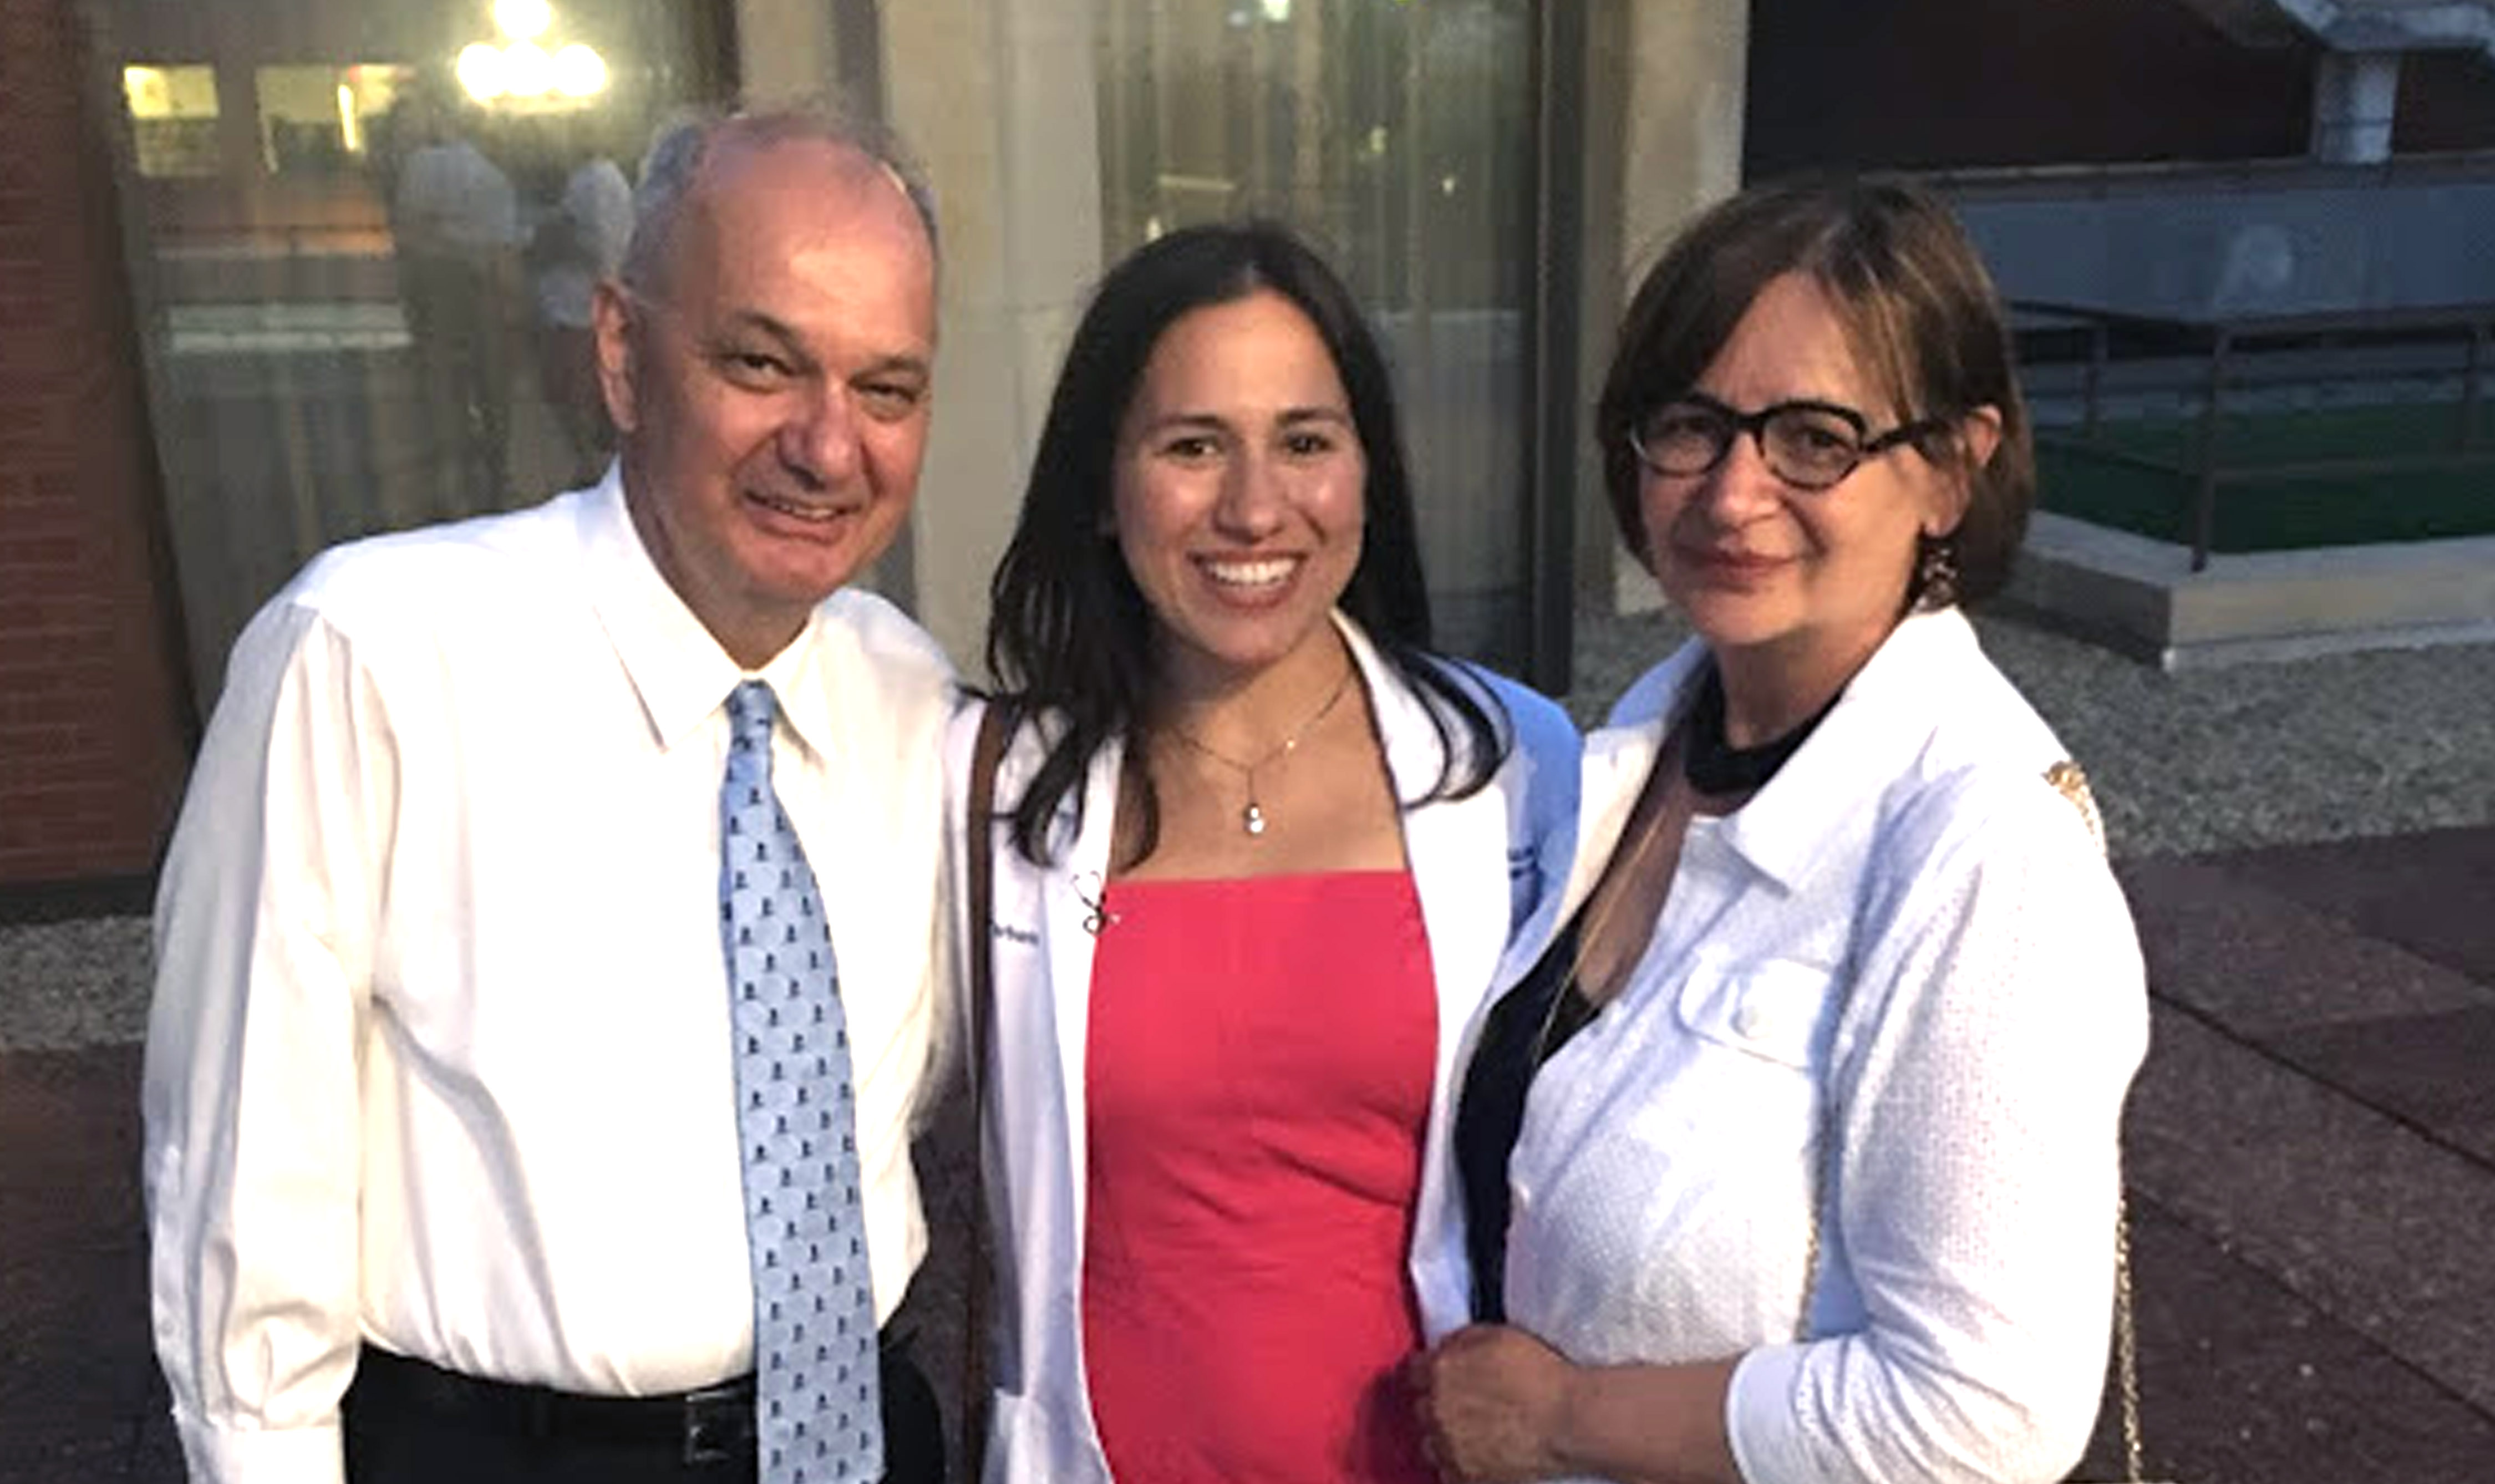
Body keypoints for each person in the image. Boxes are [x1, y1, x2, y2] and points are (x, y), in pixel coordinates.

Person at [145, 104, 955, 1484]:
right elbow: (242, 1176)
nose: (829, 447)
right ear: (625, 355)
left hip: (863, 1436)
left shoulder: (910, 692)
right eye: (763, 362)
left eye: (886, 388)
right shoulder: (373, 654)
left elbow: (900, 1099)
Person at [1410, 178, 2150, 1484]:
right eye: (1691, 426)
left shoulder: (1982, 851)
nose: (1733, 494)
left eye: (1815, 438)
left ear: (1950, 472)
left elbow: (1984, 1418)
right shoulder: (1646, 746)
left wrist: (1562, 1417)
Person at [951, 221, 1579, 1483]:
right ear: (1103, 484)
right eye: (1192, 447)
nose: (1254, 507)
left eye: (1305, 442)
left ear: (1366, 472)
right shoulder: (991, 790)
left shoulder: (1521, 766)